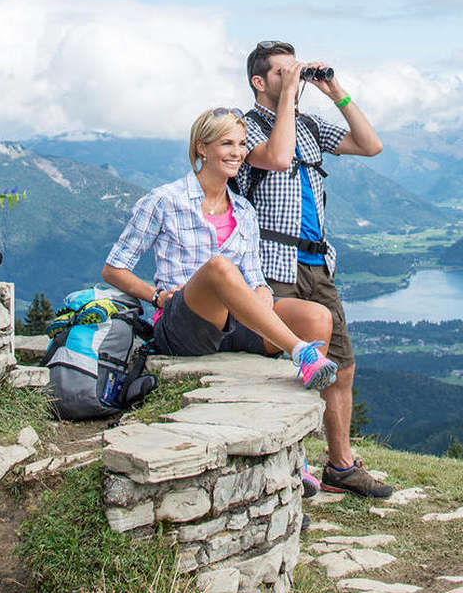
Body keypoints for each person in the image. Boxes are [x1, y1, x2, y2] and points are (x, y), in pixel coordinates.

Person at [234, 40, 390, 497]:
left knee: (340, 365)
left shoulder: (308, 125)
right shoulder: (242, 128)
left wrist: (333, 89)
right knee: (284, 365)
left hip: (317, 262)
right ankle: (290, 464)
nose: (295, 77)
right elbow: (278, 159)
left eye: (296, 69)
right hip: (269, 262)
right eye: (284, 72)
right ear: (259, 82)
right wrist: (286, 100)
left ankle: (340, 465)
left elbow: (370, 144)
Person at [102, 107, 338, 389]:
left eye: (241, 144)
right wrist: (156, 297)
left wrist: (262, 292)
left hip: (236, 323)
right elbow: (114, 268)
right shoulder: (165, 200)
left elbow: (255, 277)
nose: (237, 153)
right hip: (184, 324)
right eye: (227, 143)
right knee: (219, 267)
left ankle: (308, 394)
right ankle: (301, 352)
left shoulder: (244, 210)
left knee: (317, 316)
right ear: (202, 148)